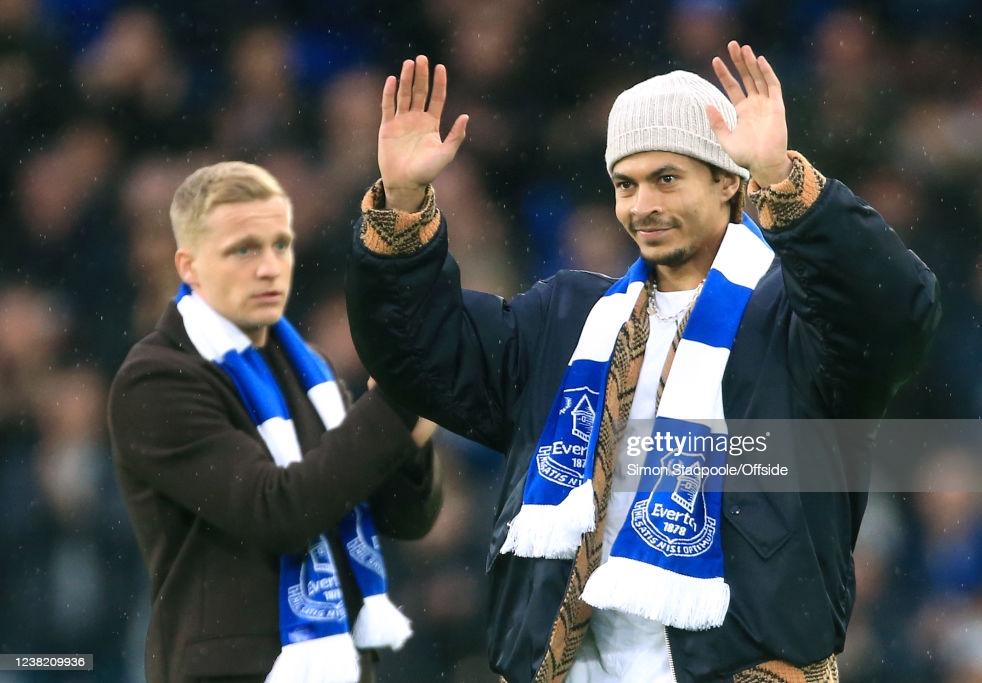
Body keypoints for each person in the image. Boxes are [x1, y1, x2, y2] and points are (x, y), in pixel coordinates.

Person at [344, 42, 940, 683]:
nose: (642, 205)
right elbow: (420, 355)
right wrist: (403, 201)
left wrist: (786, 180)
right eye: (626, 184)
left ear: (728, 182)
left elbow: (894, 314)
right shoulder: (567, 318)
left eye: (667, 178)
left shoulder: (797, 321)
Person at [108, 161, 441, 683]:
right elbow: (278, 510)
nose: (269, 267)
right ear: (189, 266)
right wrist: (395, 409)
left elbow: (405, 519)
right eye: (243, 249)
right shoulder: (157, 380)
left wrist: (416, 434)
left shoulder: (311, 369)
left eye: (280, 245)